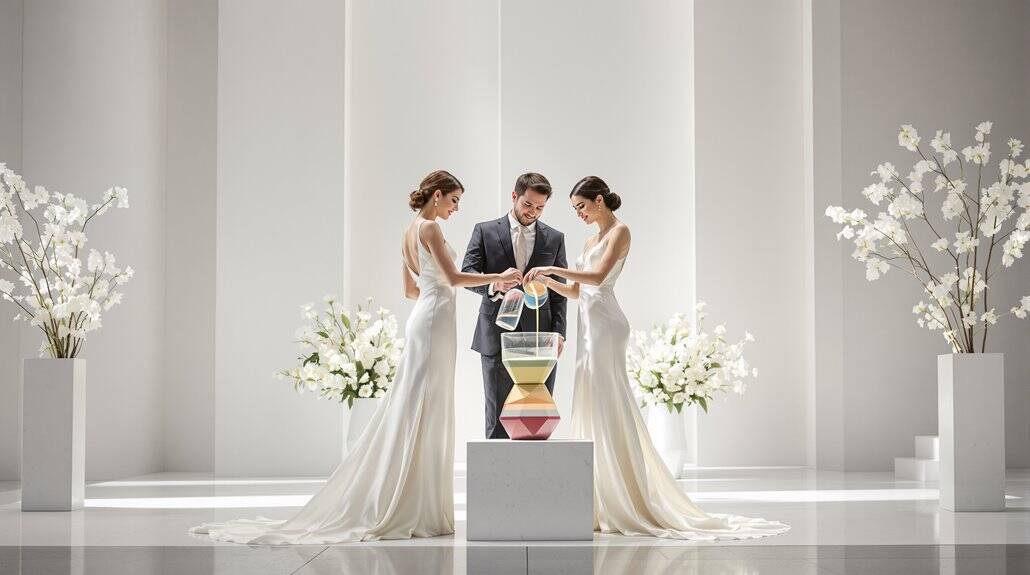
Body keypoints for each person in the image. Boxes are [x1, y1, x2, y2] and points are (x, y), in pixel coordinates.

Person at [190, 170, 519, 544]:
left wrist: (442, 291)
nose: (457, 208)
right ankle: (418, 505)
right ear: (438, 195)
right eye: (455, 200)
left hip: (425, 317)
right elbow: (454, 278)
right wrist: (498, 278)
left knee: (418, 406)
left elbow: (411, 289)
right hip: (434, 324)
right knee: (427, 406)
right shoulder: (429, 228)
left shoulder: (408, 232)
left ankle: (415, 499)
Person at [524, 176, 789, 540]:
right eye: (575, 210)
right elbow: (575, 290)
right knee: (591, 402)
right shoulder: (588, 240)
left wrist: (553, 267)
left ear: (599, 200)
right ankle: (598, 496)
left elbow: (598, 278)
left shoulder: (620, 231)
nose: (580, 214)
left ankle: (626, 495)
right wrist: (544, 278)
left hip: (606, 325)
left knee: (609, 404)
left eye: (582, 207)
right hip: (588, 327)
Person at [461, 172, 568, 438]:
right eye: (527, 205)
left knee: (536, 417)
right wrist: (495, 284)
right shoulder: (484, 231)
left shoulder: (555, 238)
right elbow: (467, 274)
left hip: (540, 336)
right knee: (497, 415)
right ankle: (495, 478)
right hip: (495, 333)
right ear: (514, 197)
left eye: (540, 207)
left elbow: (560, 292)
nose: (533, 212)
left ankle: (533, 478)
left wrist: (559, 333)